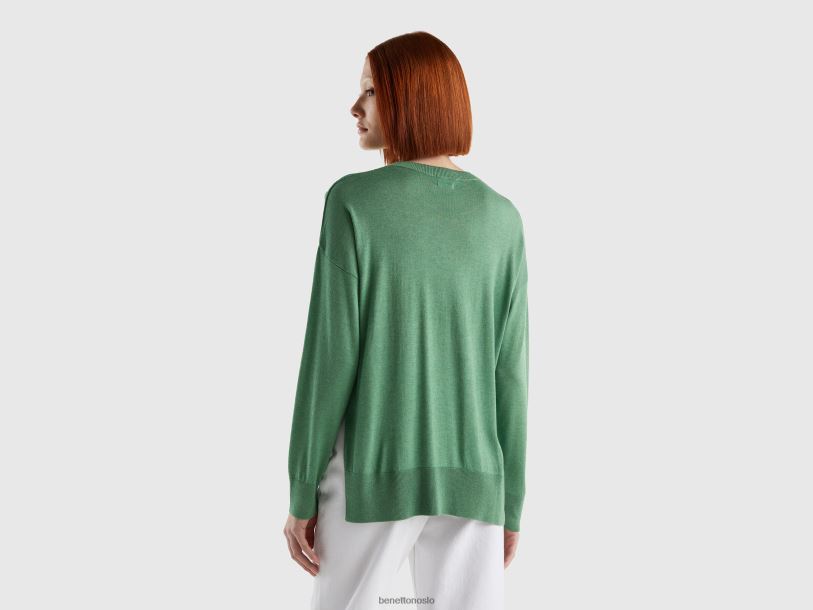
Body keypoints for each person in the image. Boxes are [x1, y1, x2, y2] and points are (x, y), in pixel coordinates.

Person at [283, 31, 529, 610]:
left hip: (372, 473)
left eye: (370, 90)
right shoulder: (502, 217)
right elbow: (511, 375)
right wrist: (510, 502)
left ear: (409, 96)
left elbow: (329, 358)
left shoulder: (354, 202)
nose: (355, 106)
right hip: (475, 481)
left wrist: (302, 490)